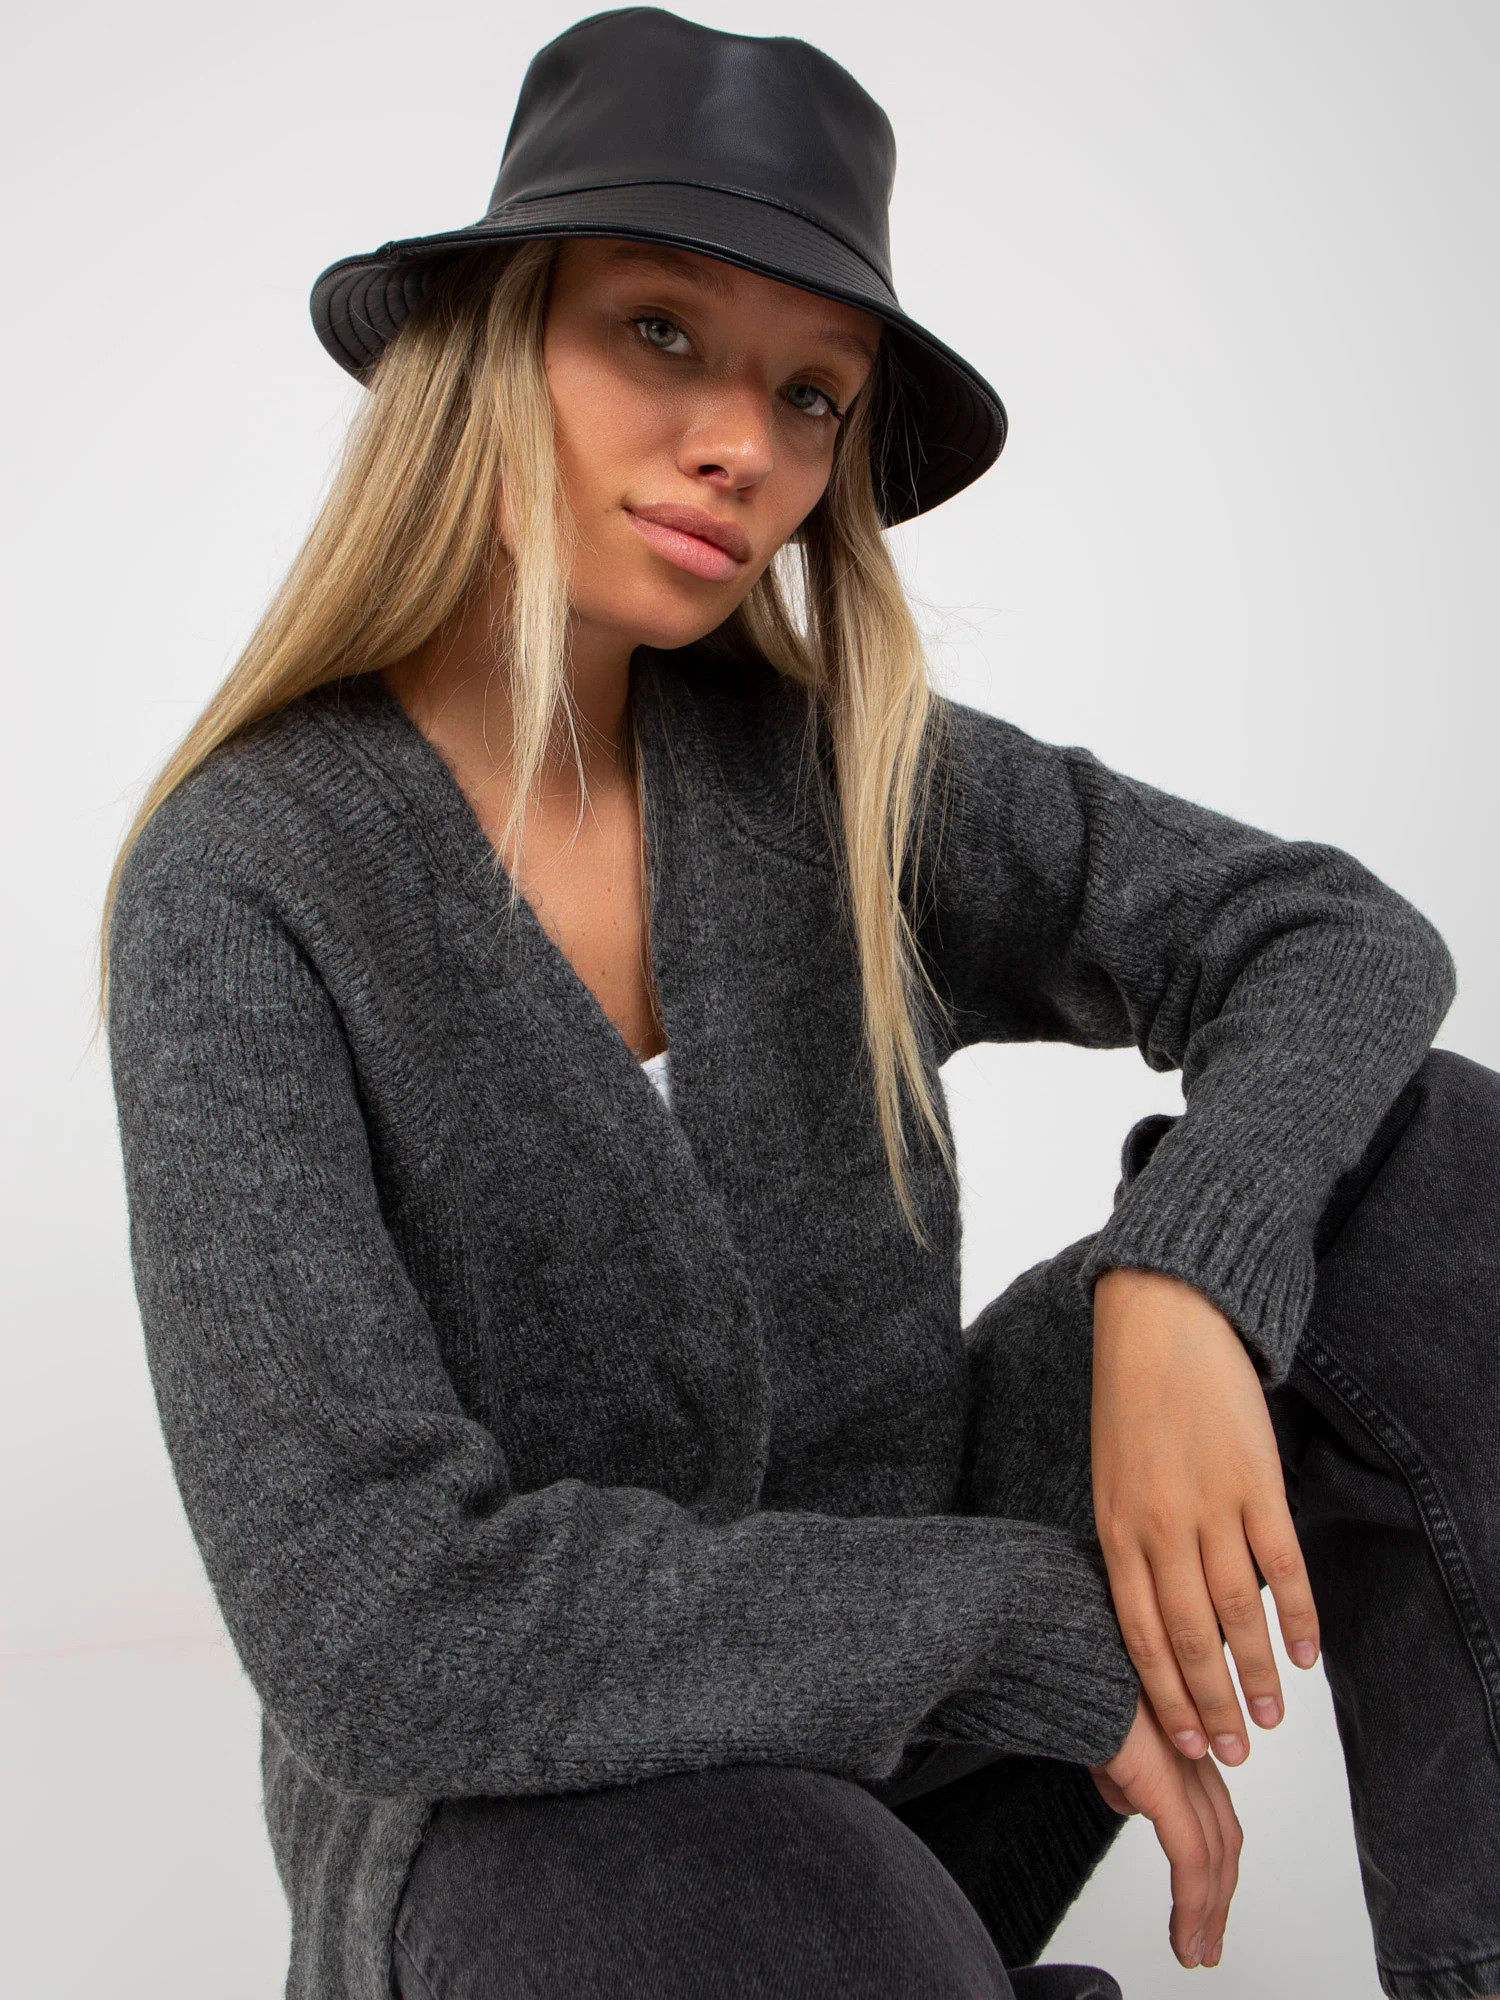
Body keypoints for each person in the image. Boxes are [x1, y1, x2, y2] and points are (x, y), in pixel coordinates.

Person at [97, 10, 1499, 2000]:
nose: (743, 444)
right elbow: (375, 1622)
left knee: (1430, 1162)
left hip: (926, 1769)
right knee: (755, 1891)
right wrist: (1017, 1625)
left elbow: (1328, 935)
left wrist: (1195, 1267)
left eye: (812, 391)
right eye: (660, 331)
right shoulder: (249, 885)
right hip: (542, 1818)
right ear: (493, 344)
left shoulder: (835, 771)